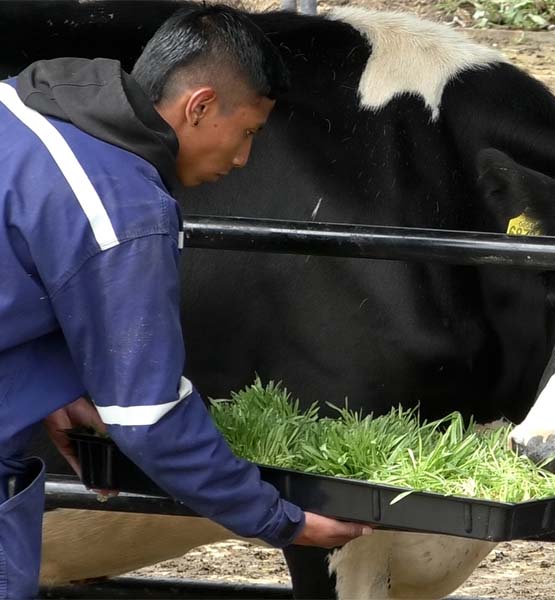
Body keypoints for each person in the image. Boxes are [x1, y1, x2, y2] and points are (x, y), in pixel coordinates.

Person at [0, 5, 370, 597]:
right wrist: (281, 520)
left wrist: (40, 383)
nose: (244, 158)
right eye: (248, 132)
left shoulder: (22, 105)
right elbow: (148, 417)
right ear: (198, 106)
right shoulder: (122, 209)